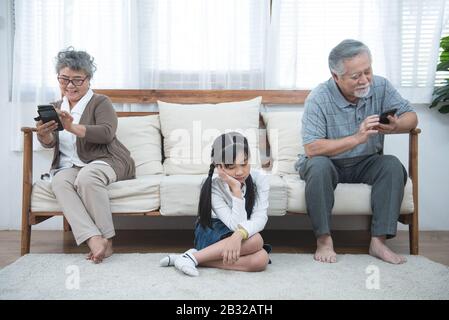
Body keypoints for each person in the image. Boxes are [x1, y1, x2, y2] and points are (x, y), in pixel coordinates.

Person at [296, 39, 418, 264]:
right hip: (328, 162)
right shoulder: (318, 98)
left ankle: (378, 242)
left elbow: (411, 117)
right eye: (355, 76)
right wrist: (356, 138)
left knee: (392, 165)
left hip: (366, 162)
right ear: (336, 76)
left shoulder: (381, 86)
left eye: (367, 71)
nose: (364, 80)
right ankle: (324, 240)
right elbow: (312, 148)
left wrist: (395, 126)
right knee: (318, 166)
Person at [36, 48, 135, 263]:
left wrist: (72, 127)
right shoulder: (55, 107)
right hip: (72, 166)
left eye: (77, 80)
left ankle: (108, 240)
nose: (70, 85)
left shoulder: (101, 102)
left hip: (108, 160)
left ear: (88, 79)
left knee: (87, 177)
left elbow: (106, 133)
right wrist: (43, 136)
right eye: (64, 79)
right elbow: (52, 142)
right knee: (60, 182)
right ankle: (93, 238)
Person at [160, 132, 270, 276]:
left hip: (240, 234)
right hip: (212, 230)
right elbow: (235, 224)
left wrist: (238, 235)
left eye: (244, 163)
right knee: (256, 240)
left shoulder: (259, 179)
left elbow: (260, 218)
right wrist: (236, 190)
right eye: (231, 167)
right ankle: (195, 257)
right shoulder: (214, 187)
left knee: (261, 259)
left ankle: (191, 258)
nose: (240, 171)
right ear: (219, 167)